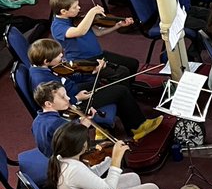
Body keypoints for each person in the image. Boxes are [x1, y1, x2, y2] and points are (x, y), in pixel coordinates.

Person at [29, 38, 161, 143]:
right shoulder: (42, 80)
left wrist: (92, 71)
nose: (62, 56)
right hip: (72, 105)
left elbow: (69, 77)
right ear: (46, 61)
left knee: (106, 82)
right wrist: (77, 98)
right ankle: (137, 128)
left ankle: (121, 118)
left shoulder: (45, 68)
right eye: (58, 55)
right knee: (121, 91)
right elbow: (58, 104)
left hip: (72, 91)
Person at [44, 122, 165, 189]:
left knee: (133, 178)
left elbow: (90, 176)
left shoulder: (62, 160)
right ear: (82, 146)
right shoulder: (74, 169)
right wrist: (116, 160)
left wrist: (110, 160)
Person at [49, 0, 136, 84]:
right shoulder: (57, 27)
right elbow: (79, 31)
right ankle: (120, 92)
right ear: (63, 11)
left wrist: (117, 25)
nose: (79, 8)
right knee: (122, 73)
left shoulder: (76, 18)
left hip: (98, 54)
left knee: (132, 63)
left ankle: (129, 88)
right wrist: (92, 12)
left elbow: (98, 33)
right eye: (74, 7)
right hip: (84, 62)